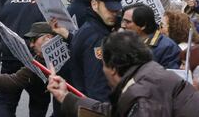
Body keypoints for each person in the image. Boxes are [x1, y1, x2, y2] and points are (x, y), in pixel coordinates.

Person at [47, 31, 199, 116]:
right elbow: (113, 112)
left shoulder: (144, 96)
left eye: (103, 65)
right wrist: (64, 96)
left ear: (112, 68)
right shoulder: (149, 73)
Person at [0, 22, 55, 117]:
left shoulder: (69, 54)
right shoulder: (37, 61)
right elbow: (15, 80)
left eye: (34, 39)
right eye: (30, 40)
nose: (31, 45)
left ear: (49, 38)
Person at [0, 0, 45, 117]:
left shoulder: (10, 1)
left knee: (6, 100)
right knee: (38, 102)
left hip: (10, 57)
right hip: (35, 60)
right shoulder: (43, 3)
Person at [69, 0, 124, 102]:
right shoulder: (97, 37)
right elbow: (98, 87)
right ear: (94, 4)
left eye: (116, 10)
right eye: (109, 9)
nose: (114, 13)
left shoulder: (93, 28)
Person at [121, 3, 180, 69]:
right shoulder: (125, 41)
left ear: (143, 25)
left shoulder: (167, 47)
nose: (123, 25)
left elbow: (170, 76)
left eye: (128, 22)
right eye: (123, 21)